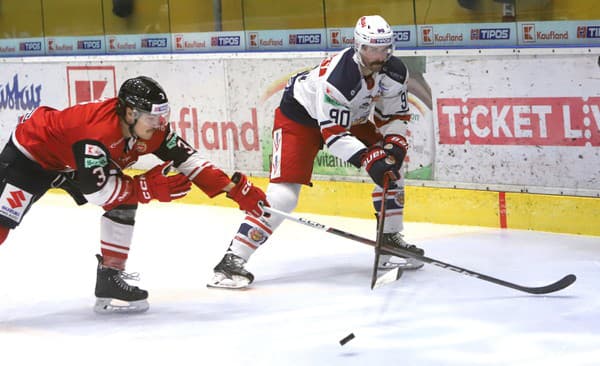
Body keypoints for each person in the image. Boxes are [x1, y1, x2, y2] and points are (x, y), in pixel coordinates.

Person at [0, 76, 268, 312]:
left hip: (68, 158)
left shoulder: (150, 130)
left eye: (163, 116)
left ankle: (109, 278)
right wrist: (145, 188)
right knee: (2, 223)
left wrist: (235, 190)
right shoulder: (96, 133)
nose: (160, 124)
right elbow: (97, 193)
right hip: (31, 155)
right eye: (153, 117)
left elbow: (188, 161)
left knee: (126, 199)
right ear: (130, 114)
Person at [208, 15, 425, 290]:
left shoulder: (394, 73)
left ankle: (390, 242)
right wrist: (368, 159)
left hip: (350, 120)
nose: (378, 55)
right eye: (372, 48)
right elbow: (334, 136)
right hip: (299, 118)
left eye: (384, 49)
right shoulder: (339, 77)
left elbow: (395, 115)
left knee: (392, 166)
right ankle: (231, 261)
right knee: (282, 197)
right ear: (359, 47)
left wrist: (393, 145)